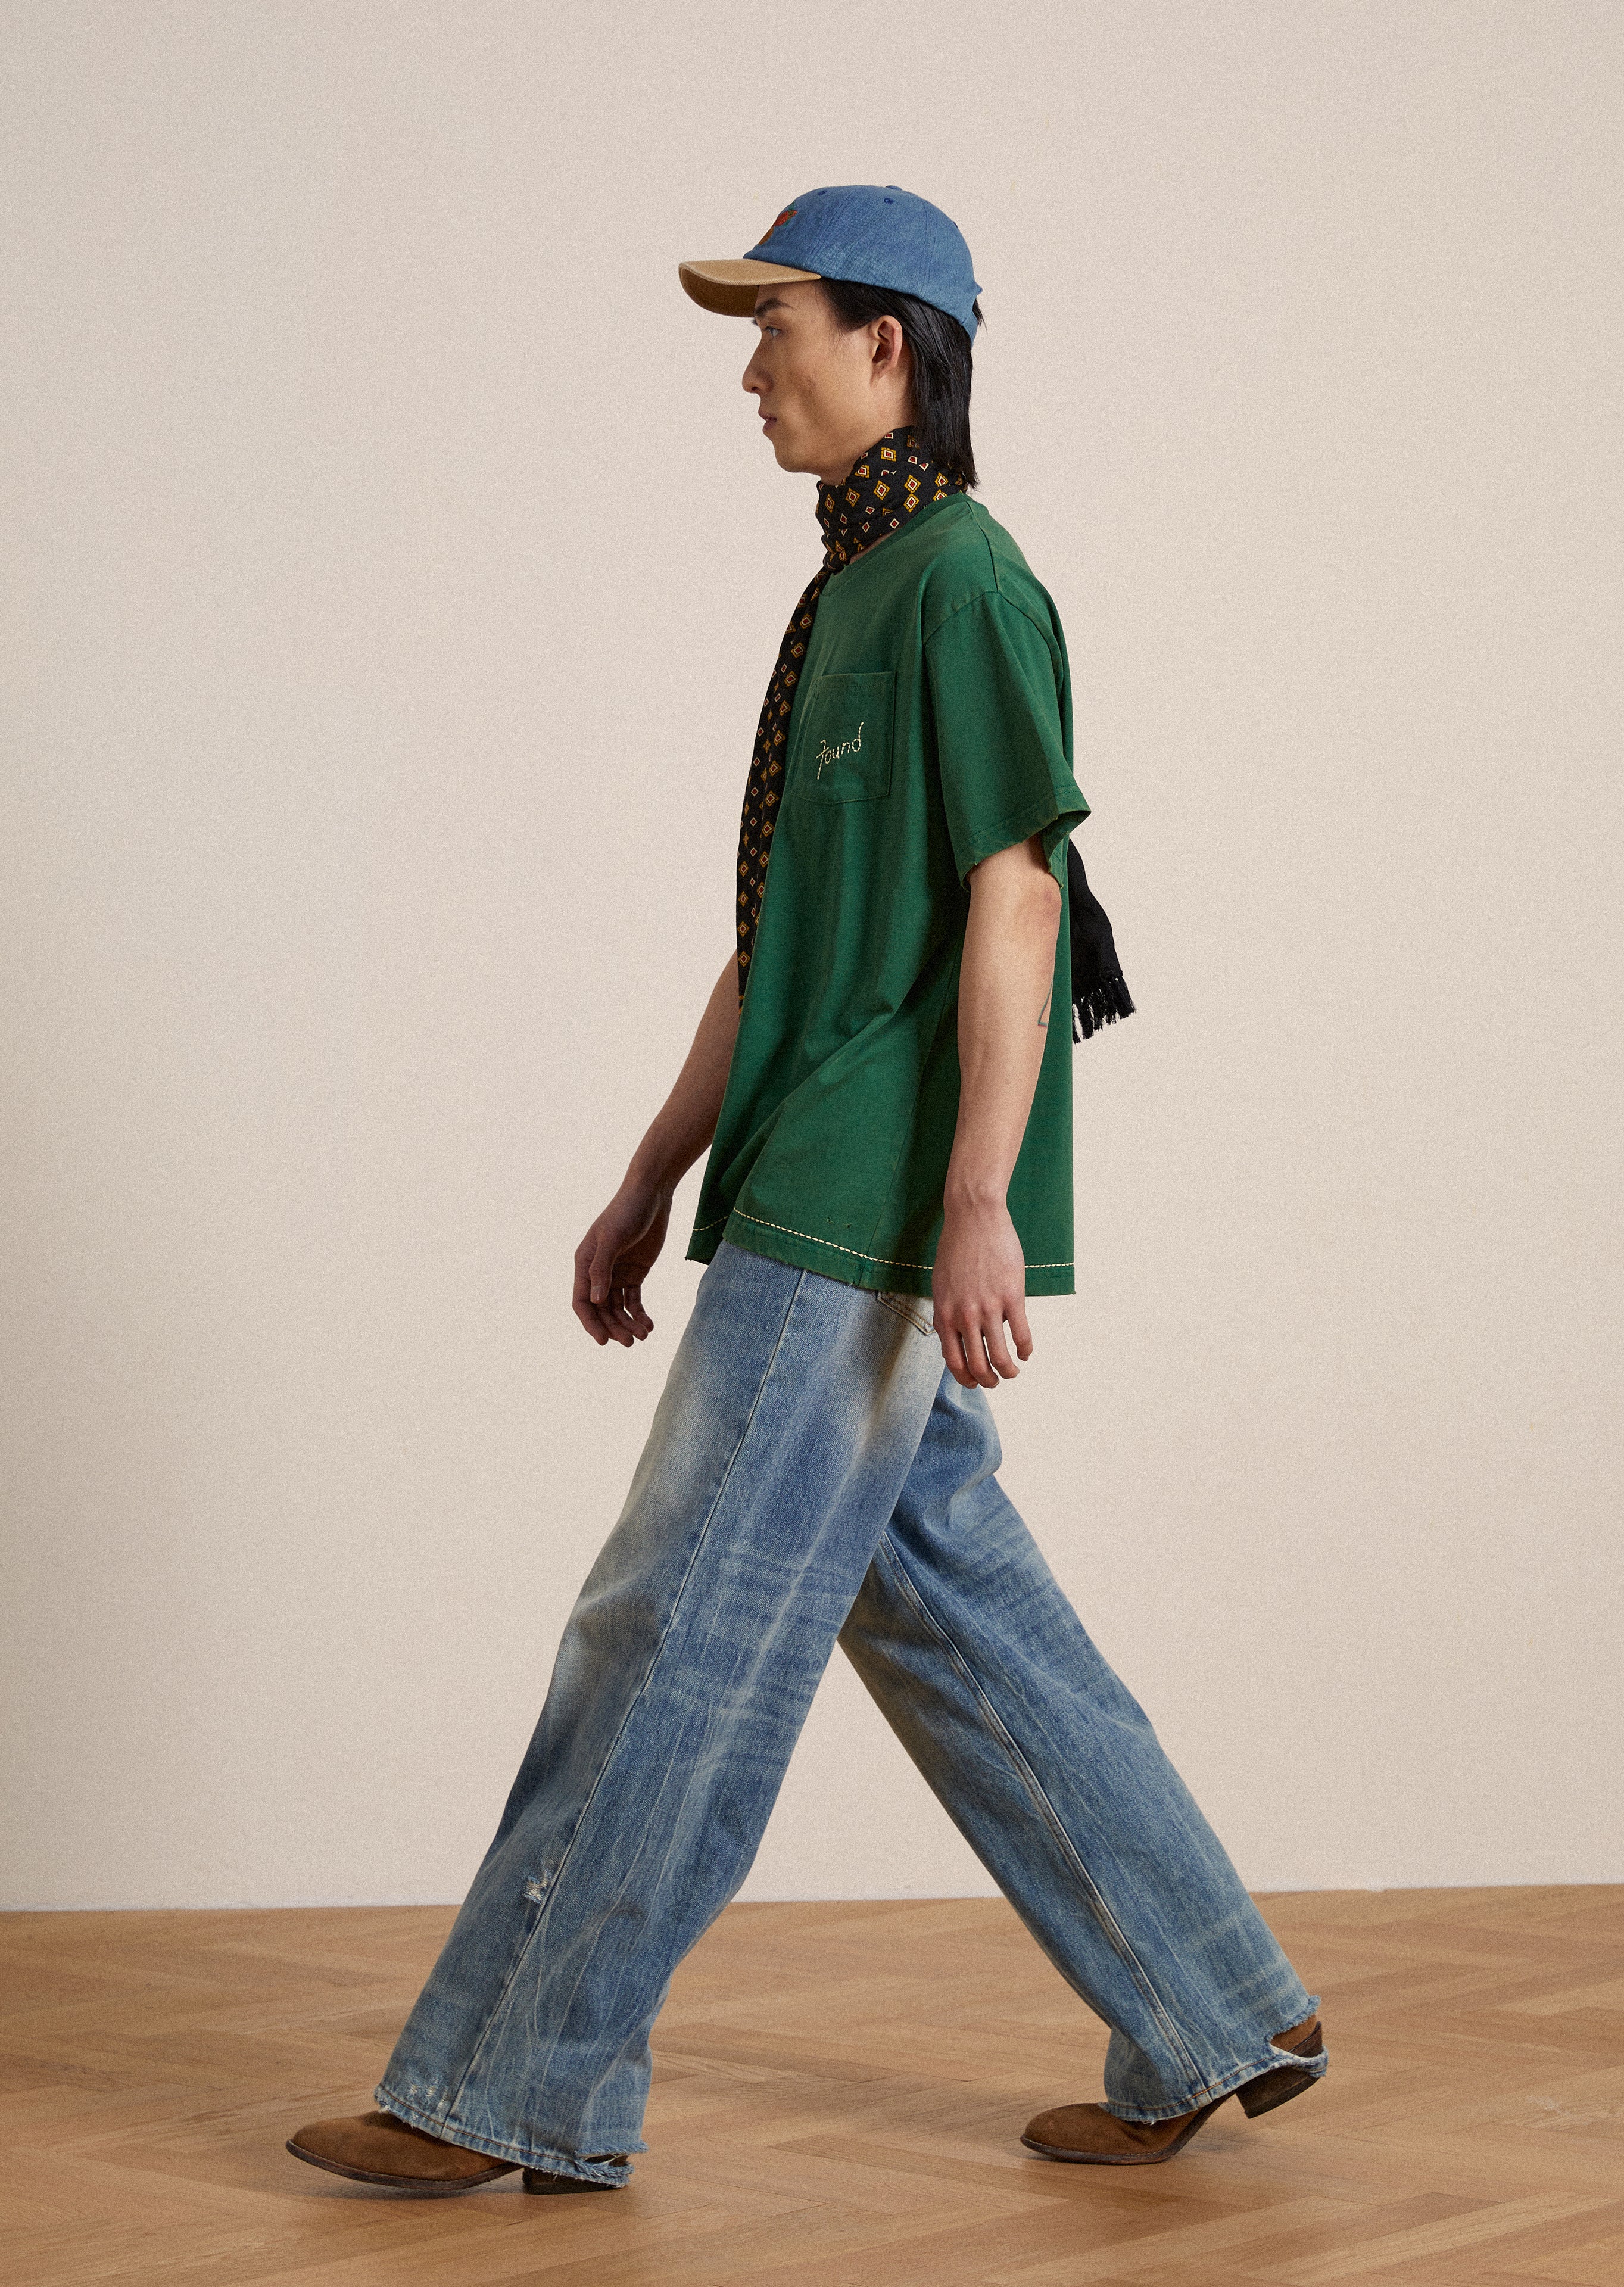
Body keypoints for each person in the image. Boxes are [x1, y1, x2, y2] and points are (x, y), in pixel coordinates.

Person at [286, 184, 1326, 2199]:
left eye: (781, 327)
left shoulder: (968, 586)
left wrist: (976, 1203)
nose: (751, 370)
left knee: (668, 1624)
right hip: (789, 1166)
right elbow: (775, 944)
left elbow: (1017, 897)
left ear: (891, 346)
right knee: (945, 1606)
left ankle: (512, 2083)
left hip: (865, 1202)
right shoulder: (847, 592)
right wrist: (644, 1174)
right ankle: (1211, 1997)